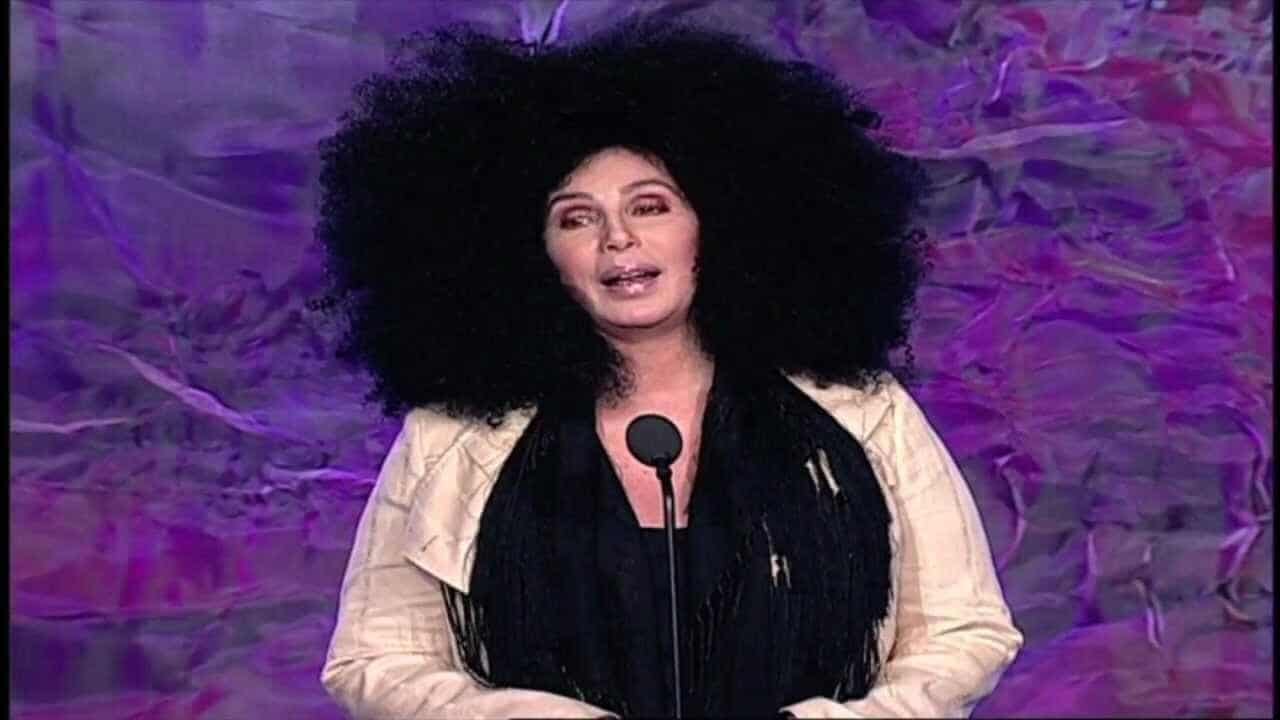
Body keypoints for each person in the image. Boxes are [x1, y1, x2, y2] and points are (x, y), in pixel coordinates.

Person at [316, 16, 1022, 720]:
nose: (617, 238)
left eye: (649, 207)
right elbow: (377, 659)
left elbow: (963, 633)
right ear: (531, 257)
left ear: (717, 223)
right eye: (576, 218)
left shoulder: (863, 413)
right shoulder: (453, 438)